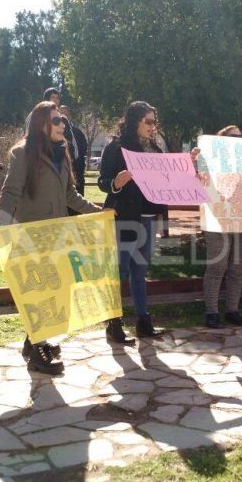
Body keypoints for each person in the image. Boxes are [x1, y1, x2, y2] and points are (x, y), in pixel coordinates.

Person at [0, 102, 101, 374]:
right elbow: (10, 193)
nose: (63, 125)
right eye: (56, 120)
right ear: (41, 123)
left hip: (58, 235)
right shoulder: (22, 153)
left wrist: (99, 211)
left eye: (63, 120)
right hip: (31, 235)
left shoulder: (61, 152)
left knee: (59, 291)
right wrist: (2, 227)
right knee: (42, 294)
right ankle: (39, 352)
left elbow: (70, 195)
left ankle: (33, 341)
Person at [98, 101, 167, 343]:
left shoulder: (157, 151)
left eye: (154, 121)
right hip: (124, 219)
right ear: (134, 121)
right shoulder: (116, 148)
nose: (152, 126)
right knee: (120, 272)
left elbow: (169, 182)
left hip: (148, 219)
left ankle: (143, 322)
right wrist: (116, 183)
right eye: (148, 121)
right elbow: (103, 181)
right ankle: (113, 325)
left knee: (140, 271)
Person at [203, 125, 242, 328]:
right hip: (217, 219)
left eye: (240, 137)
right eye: (232, 137)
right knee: (217, 266)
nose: (237, 140)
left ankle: (233, 309)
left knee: (238, 267)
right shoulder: (209, 160)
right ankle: (211, 313)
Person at [59, 105, 88, 196]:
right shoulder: (52, 134)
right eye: (61, 114)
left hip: (76, 176)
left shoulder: (78, 133)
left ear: (70, 117)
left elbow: (82, 152)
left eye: (66, 114)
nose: (63, 117)